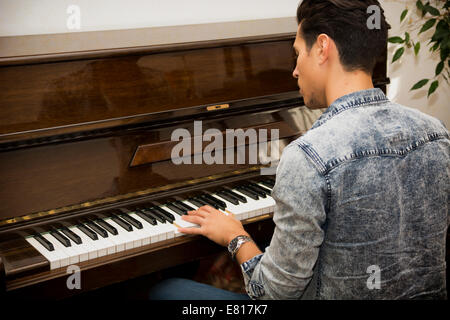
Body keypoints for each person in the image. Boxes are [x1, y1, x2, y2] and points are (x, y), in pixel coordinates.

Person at [148, 0, 449, 300]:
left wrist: (235, 236)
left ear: (321, 48)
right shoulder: (437, 133)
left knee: (167, 290)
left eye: (297, 53)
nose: (294, 70)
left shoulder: (309, 157)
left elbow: (272, 294)